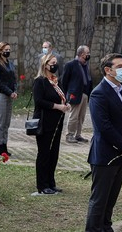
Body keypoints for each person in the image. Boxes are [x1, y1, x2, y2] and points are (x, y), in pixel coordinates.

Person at [85, 53, 122, 232]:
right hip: (105, 155)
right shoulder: (99, 93)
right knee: (99, 200)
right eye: (120, 66)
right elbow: (103, 126)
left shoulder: (121, 90)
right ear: (108, 70)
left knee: (110, 199)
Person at [32, 53, 71, 195]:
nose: (55, 65)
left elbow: (61, 98)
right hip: (44, 122)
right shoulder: (40, 81)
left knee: (54, 153)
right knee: (44, 154)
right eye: (52, 63)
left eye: (56, 62)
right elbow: (39, 101)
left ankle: (51, 183)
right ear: (45, 65)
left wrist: (65, 105)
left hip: (57, 122)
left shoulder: (56, 81)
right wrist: (57, 106)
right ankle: (42, 185)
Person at [61, 45, 93, 144]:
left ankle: (78, 135)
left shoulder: (86, 65)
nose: (88, 55)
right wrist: (66, 95)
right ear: (82, 54)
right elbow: (64, 81)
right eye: (87, 53)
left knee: (81, 117)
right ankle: (70, 134)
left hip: (84, 94)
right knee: (74, 116)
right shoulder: (70, 65)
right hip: (74, 94)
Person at [0, 41, 18, 157]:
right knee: (1, 123)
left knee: (7, 123)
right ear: (0, 51)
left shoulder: (10, 63)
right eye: (5, 50)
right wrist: (9, 92)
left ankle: (4, 146)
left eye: (9, 49)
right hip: (1, 96)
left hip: (10, 95)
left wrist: (15, 91)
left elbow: (13, 79)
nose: (8, 51)